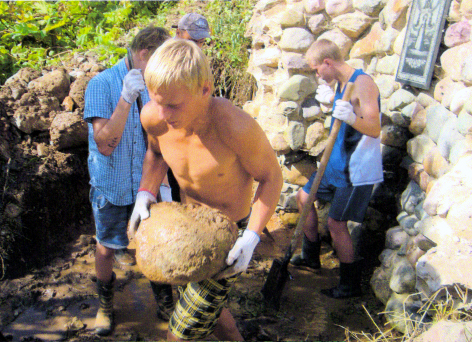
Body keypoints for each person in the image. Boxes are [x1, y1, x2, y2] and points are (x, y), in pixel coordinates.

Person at [128, 39, 283, 341]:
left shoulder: (233, 126)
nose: (163, 113)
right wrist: (145, 193)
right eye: (156, 100)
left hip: (226, 237)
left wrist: (250, 237)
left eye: (173, 104)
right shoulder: (154, 116)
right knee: (215, 315)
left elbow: (272, 178)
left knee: (180, 333)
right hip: (187, 229)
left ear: (205, 89)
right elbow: (156, 153)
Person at [83, 26, 171, 336]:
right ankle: (105, 305)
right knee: (107, 248)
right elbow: (105, 143)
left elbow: (162, 137)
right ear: (144, 54)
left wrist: (165, 185)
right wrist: (125, 98)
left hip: (145, 184)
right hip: (112, 185)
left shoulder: (154, 84)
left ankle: (165, 301)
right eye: (159, 61)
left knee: (155, 244)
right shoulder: (101, 84)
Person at [289, 39, 383, 299]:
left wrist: (352, 117)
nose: (317, 74)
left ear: (328, 62)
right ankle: (310, 258)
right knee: (303, 197)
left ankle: (350, 285)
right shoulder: (341, 82)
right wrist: (334, 104)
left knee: (336, 224)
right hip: (335, 162)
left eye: (317, 69)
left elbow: (374, 128)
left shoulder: (363, 83)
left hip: (356, 169)